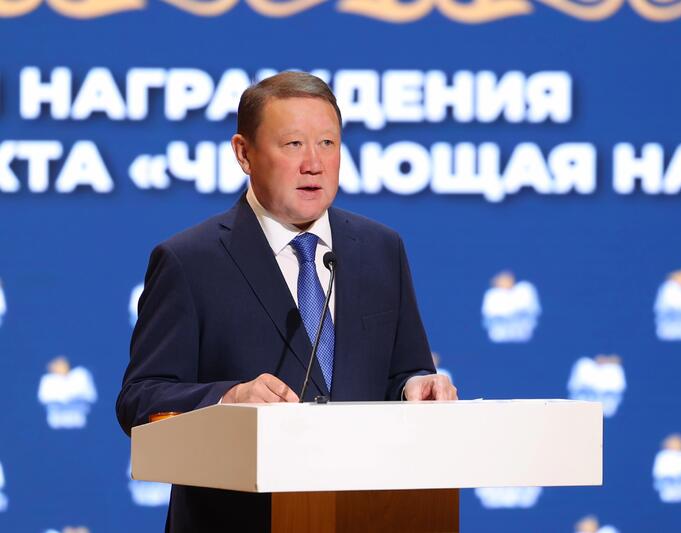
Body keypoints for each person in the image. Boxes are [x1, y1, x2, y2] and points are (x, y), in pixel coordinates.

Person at [116, 71, 457, 532]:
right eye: (293, 144)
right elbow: (140, 400)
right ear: (244, 153)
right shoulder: (189, 261)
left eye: (327, 143)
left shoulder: (381, 249)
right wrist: (228, 398)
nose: (314, 164)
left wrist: (416, 387)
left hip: (368, 513)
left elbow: (404, 371)